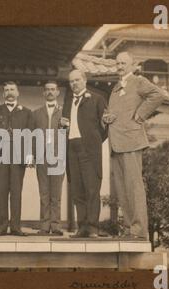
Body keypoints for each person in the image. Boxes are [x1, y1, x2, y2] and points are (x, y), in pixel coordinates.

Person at [103, 51, 165, 240]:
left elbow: (158, 95)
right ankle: (130, 229)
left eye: (123, 63)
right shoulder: (114, 87)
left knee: (134, 187)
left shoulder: (138, 81)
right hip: (115, 144)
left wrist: (140, 116)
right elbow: (116, 112)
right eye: (118, 63)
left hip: (131, 142)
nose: (120, 66)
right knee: (122, 189)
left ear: (131, 65)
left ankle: (139, 231)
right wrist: (107, 117)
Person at [61, 69, 107, 238]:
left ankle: (93, 227)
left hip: (89, 150)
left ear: (84, 81)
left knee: (92, 189)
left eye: (77, 80)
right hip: (71, 148)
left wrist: (93, 142)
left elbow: (105, 127)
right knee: (77, 190)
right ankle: (82, 227)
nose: (74, 83)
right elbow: (64, 126)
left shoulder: (97, 99)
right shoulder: (67, 102)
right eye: (71, 81)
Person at [0, 81, 34, 236]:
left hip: (18, 157)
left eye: (12, 89)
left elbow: (31, 136)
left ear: (18, 93)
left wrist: (29, 153)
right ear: (3, 94)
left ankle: (16, 227)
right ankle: (1, 226)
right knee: (1, 191)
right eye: (6, 90)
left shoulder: (27, 112)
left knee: (16, 192)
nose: (9, 92)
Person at [32, 81, 65, 236]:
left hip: (59, 156)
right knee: (44, 192)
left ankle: (56, 225)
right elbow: (32, 137)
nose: (50, 92)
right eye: (47, 90)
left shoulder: (65, 113)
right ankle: (44, 225)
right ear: (43, 93)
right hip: (42, 157)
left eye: (53, 89)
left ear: (57, 92)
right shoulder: (36, 113)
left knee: (56, 194)